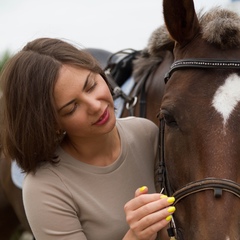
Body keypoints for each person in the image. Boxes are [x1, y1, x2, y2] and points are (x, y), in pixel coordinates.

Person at [0, 37, 176, 240]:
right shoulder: (45, 187)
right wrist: (136, 236)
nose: (94, 105)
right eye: (72, 107)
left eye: (91, 86)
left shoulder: (147, 134)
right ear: (52, 124)